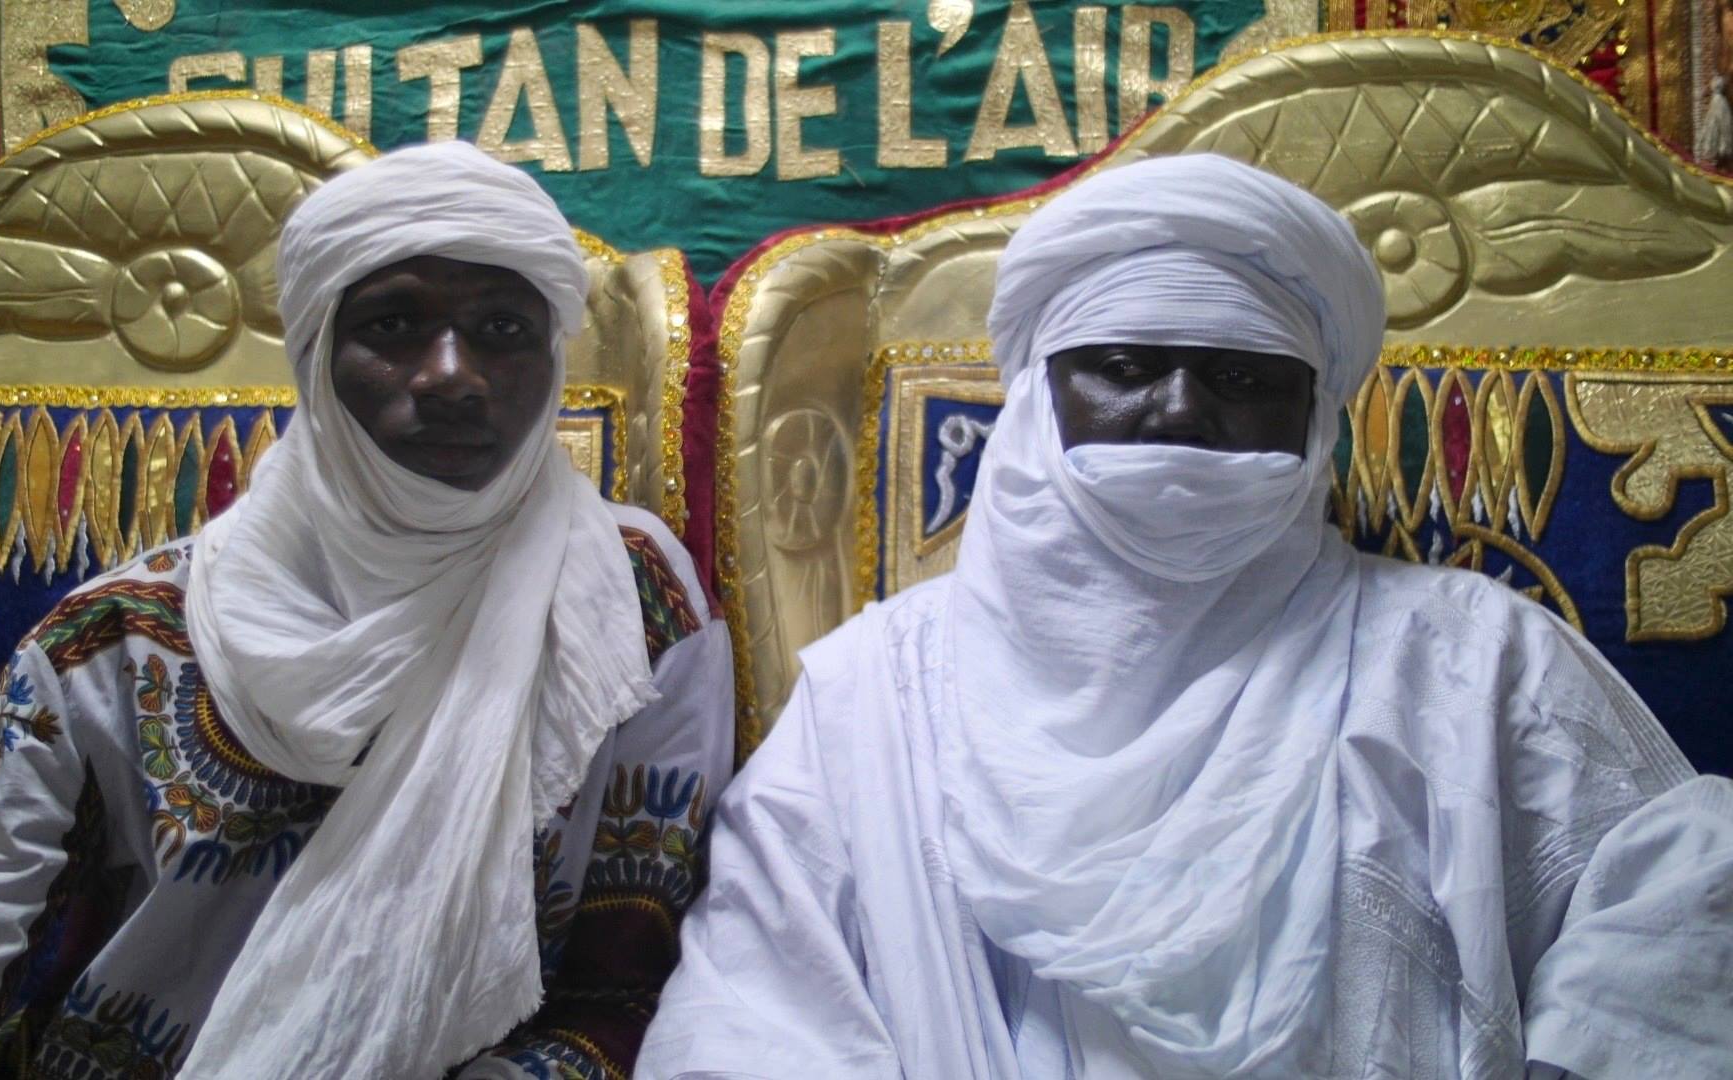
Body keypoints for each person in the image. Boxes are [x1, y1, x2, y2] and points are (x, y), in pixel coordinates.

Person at [635, 154, 1733, 1080]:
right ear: (1033, 401)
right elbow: (750, 1012)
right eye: (1122, 368)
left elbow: (1680, 895)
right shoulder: (871, 695)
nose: (1178, 410)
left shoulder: (1468, 658)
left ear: (1316, 421)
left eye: (1240, 377)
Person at [0, 142, 732, 1080]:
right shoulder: (121, 639)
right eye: (396, 324)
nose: (452, 372)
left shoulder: (630, 597)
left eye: (501, 328)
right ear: (318, 355)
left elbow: (626, 989)